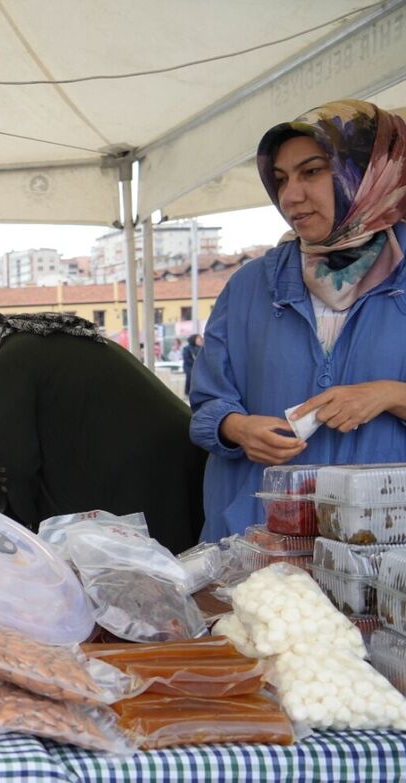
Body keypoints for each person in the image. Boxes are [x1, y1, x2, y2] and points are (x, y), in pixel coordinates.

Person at [191, 99, 406, 540]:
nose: (290, 195)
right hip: (260, 542)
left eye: (312, 171)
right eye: (281, 179)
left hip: (380, 550)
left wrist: (388, 395)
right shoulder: (251, 285)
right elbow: (207, 404)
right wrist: (236, 428)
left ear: (370, 172)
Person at [0, 305, 206, 554]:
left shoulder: (7, 363)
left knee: (152, 580)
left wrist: (18, 531)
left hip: (148, 466)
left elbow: (12, 463)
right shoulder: (41, 340)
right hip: (177, 452)